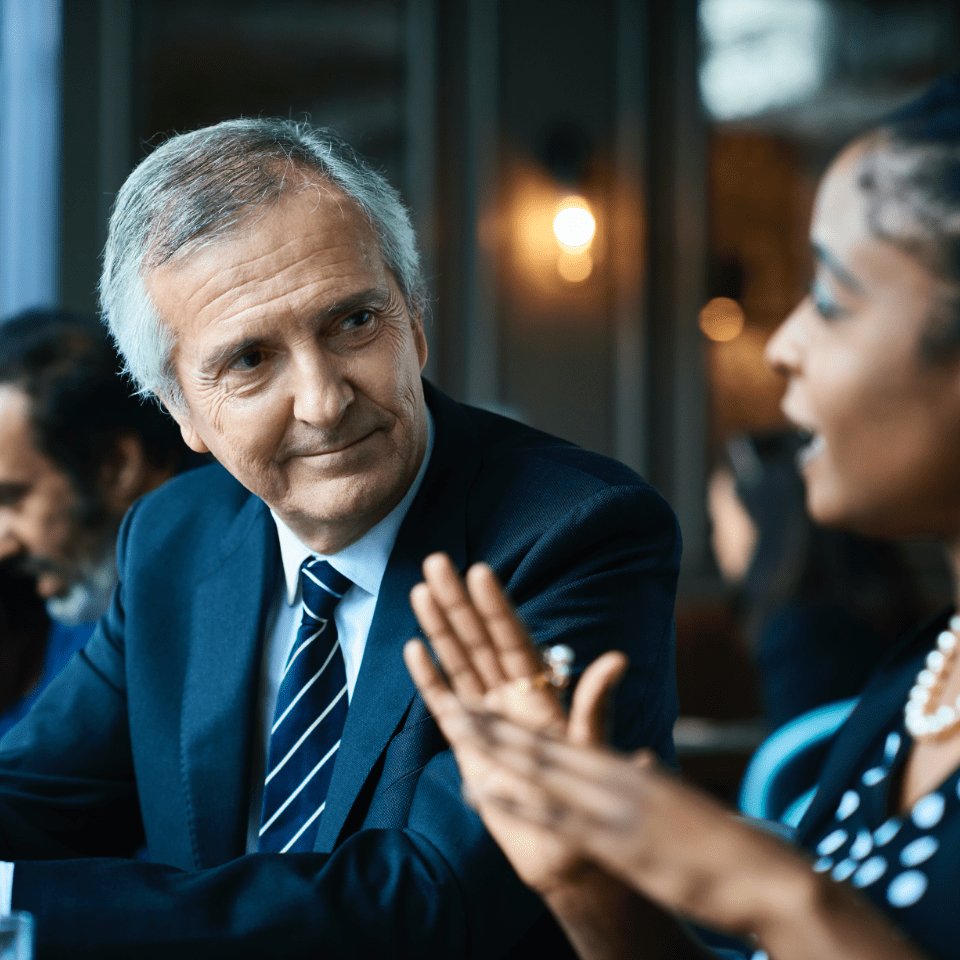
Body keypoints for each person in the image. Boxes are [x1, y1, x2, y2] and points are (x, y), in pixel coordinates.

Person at [0, 119, 681, 959]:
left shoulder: (575, 532)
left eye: (354, 321)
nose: (324, 401)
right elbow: (32, 796)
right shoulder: (173, 536)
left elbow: (432, 899)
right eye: (249, 360)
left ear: (417, 324)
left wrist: (11, 907)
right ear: (181, 412)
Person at [404, 74, 960, 960]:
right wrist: (585, 883)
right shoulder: (918, 681)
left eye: (830, 298)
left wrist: (771, 890)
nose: (780, 347)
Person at [0, 309, 196, 734]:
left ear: (116, 466)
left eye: (13, 499)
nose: (3, 545)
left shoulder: (222, 626)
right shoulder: (59, 605)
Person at [708, 431, 925, 728]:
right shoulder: (889, 606)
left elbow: (803, 762)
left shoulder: (796, 632)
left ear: (766, 521)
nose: (717, 541)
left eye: (718, 522)